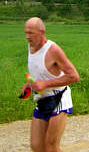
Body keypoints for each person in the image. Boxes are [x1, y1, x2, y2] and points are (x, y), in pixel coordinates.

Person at [22, 17, 79, 152]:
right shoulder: (30, 47)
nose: (27, 37)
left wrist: (45, 84)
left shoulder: (53, 50)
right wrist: (29, 85)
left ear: (41, 32)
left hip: (59, 98)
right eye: (25, 32)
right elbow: (36, 71)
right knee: (36, 146)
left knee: (51, 146)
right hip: (42, 100)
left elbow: (74, 76)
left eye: (30, 33)